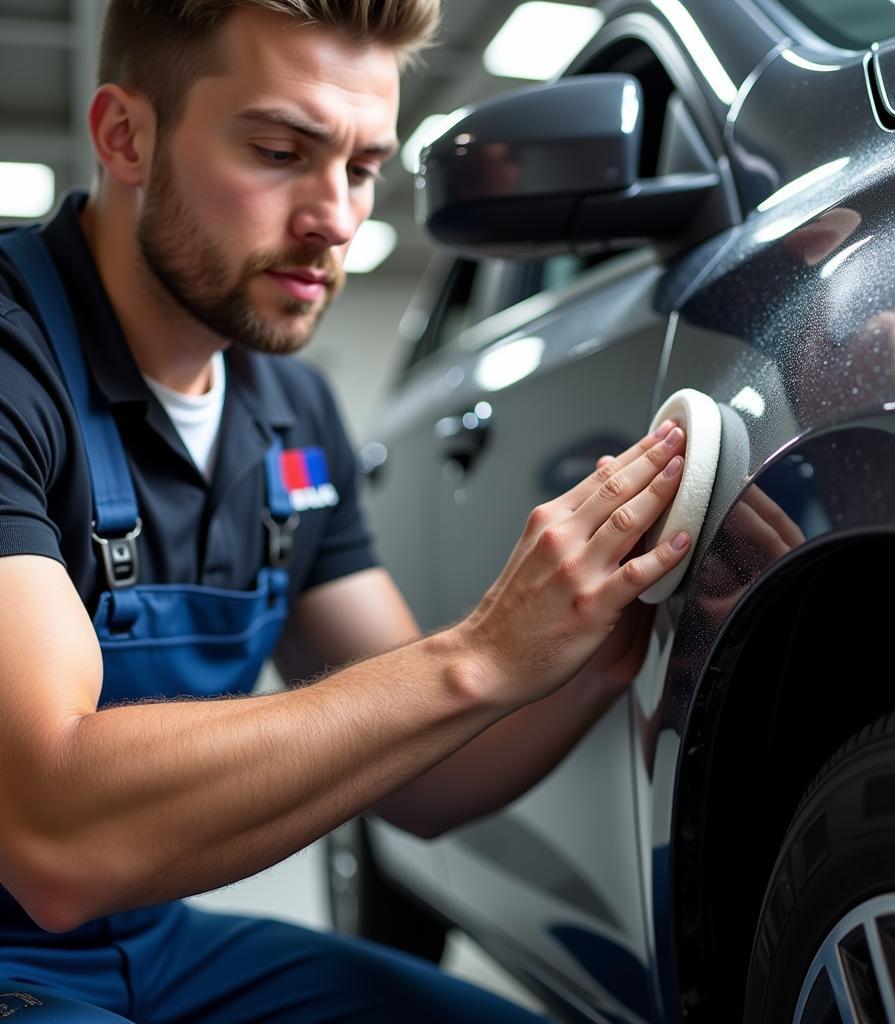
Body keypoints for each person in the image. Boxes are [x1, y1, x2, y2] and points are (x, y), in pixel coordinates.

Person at [0, 2, 692, 1020]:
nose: (336, 216)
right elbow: (52, 833)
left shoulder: (292, 411)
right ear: (124, 136)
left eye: (363, 169)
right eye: (282, 151)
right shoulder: (17, 365)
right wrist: (478, 654)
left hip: (154, 941)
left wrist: (598, 644)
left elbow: (420, 782)